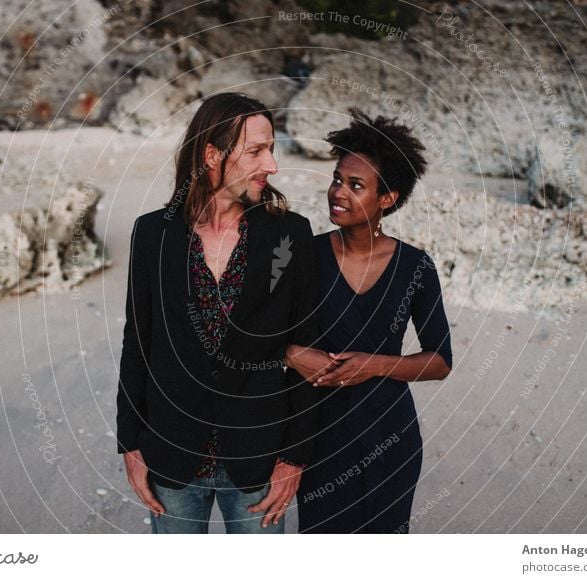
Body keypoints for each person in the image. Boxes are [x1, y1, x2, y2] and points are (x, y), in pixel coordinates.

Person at [116, 93, 323, 533]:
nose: (272, 165)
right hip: (170, 454)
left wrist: (293, 459)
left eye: (272, 149)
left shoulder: (290, 234)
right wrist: (130, 446)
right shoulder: (153, 234)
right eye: (256, 151)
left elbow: (308, 350)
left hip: (260, 461)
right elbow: (138, 343)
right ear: (212, 154)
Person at [285, 110, 453, 533]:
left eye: (356, 185)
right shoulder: (305, 255)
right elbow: (268, 335)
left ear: (387, 199)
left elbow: (440, 360)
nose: (338, 192)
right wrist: (291, 353)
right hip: (318, 436)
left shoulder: (416, 266)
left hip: (390, 437)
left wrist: (376, 364)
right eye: (337, 179)